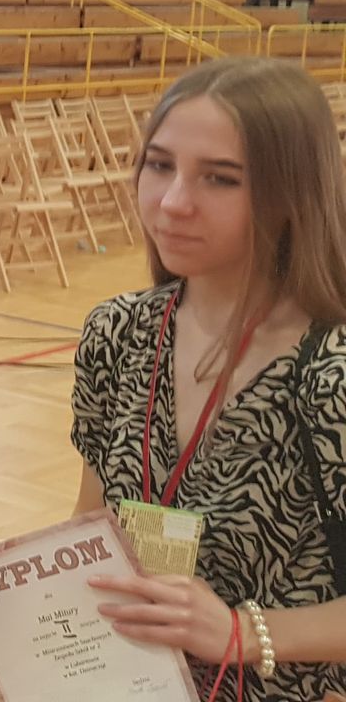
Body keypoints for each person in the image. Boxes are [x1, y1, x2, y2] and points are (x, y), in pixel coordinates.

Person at [71, 57, 346, 700]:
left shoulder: (332, 374)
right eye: (159, 165)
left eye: (220, 179)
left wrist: (243, 634)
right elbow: (90, 526)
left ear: (292, 193)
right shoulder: (117, 333)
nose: (173, 203)